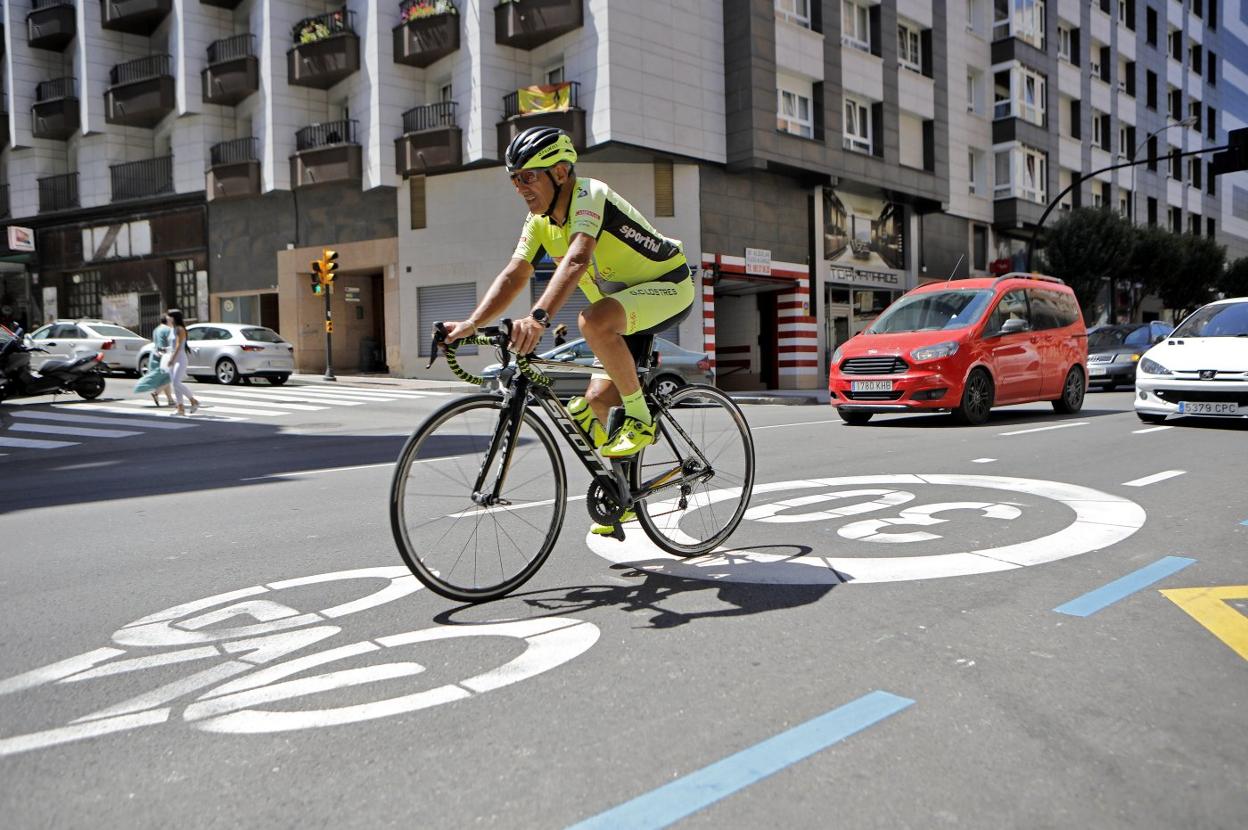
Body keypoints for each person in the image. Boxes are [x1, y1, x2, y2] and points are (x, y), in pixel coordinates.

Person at [442, 127, 694, 533]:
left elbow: (576, 260)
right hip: (622, 307)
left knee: (593, 319)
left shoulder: (589, 195)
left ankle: (642, 418)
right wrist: (473, 322)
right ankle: (624, 499)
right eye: (514, 178)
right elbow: (515, 273)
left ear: (560, 172)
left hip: (669, 287)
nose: (520, 187)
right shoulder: (539, 222)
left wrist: (538, 319)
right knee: (596, 399)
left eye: (528, 176)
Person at [162, 309, 201, 417]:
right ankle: (180, 409)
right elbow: (173, 346)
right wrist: (166, 351)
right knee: (175, 385)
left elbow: (179, 346)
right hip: (173, 357)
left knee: (176, 383)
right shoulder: (172, 329)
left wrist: (172, 359)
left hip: (180, 359)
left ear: (174, 317)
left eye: (168, 316)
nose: (167, 318)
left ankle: (193, 401)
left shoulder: (180, 329)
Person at [147, 313, 175, 407]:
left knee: (165, 378)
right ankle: (156, 393)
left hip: (155, 355)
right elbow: (171, 344)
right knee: (168, 377)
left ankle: (170, 400)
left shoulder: (156, 329)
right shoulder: (168, 330)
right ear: (167, 320)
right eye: (170, 319)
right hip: (165, 355)